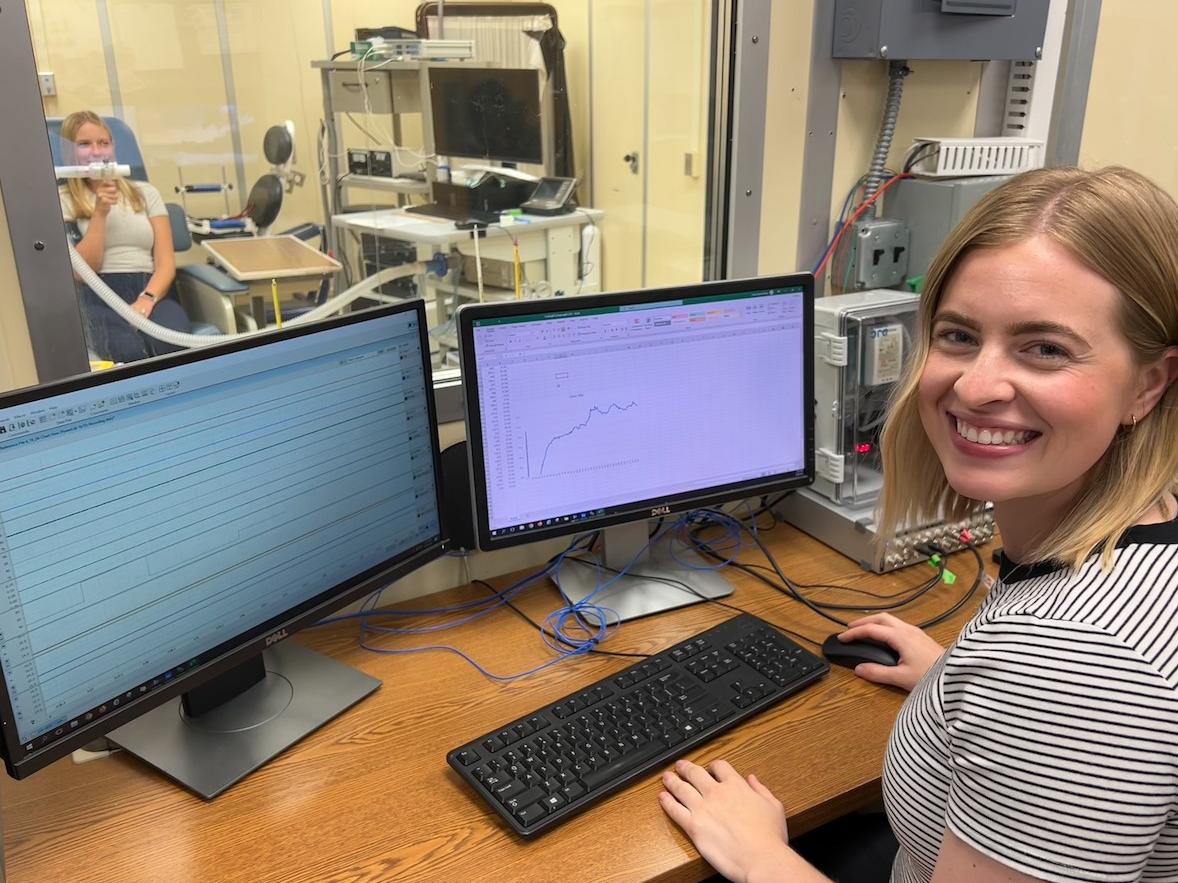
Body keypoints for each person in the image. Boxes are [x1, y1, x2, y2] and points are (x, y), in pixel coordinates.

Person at [659, 166, 1178, 883]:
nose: (975, 384)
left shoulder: (1072, 664)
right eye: (960, 335)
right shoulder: (1141, 536)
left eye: (1046, 348)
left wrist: (761, 858)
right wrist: (954, 680)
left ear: (1149, 383)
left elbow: (1077, 687)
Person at [58, 110, 191, 363]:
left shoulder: (145, 193)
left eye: (103, 143)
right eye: (84, 144)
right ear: (69, 153)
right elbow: (84, 270)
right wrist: (100, 213)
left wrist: (146, 300)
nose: (97, 152)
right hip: (96, 298)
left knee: (173, 346)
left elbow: (165, 263)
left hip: (151, 289)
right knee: (130, 353)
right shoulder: (62, 201)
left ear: (113, 148)